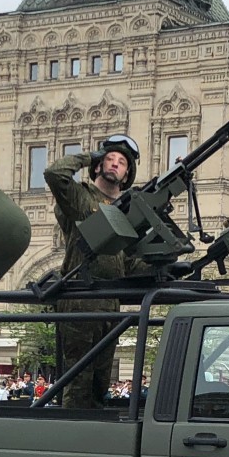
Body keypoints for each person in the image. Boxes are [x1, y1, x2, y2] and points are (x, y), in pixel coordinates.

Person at [45, 135, 146, 408]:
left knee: (100, 382)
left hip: (110, 301)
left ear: (127, 175)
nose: (114, 164)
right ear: (99, 166)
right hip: (81, 296)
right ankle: (73, 438)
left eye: (121, 162)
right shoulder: (82, 196)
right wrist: (89, 156)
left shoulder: (127, 211)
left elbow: (127, 264)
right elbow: (54, 173)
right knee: (77, 379)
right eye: (109, 159)